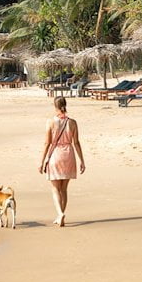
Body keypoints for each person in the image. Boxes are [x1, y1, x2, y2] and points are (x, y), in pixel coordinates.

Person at [39, 96, 86, 227]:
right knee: (64, 189)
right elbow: (76, 142)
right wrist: (82, 160)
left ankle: (60, 214)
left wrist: (41, 161)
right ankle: (60, 216)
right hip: (69, 155)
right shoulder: (73, 122)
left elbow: (47, 143)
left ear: (55, 107)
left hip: (55, 154)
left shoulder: (50, 122)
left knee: (55, 188)